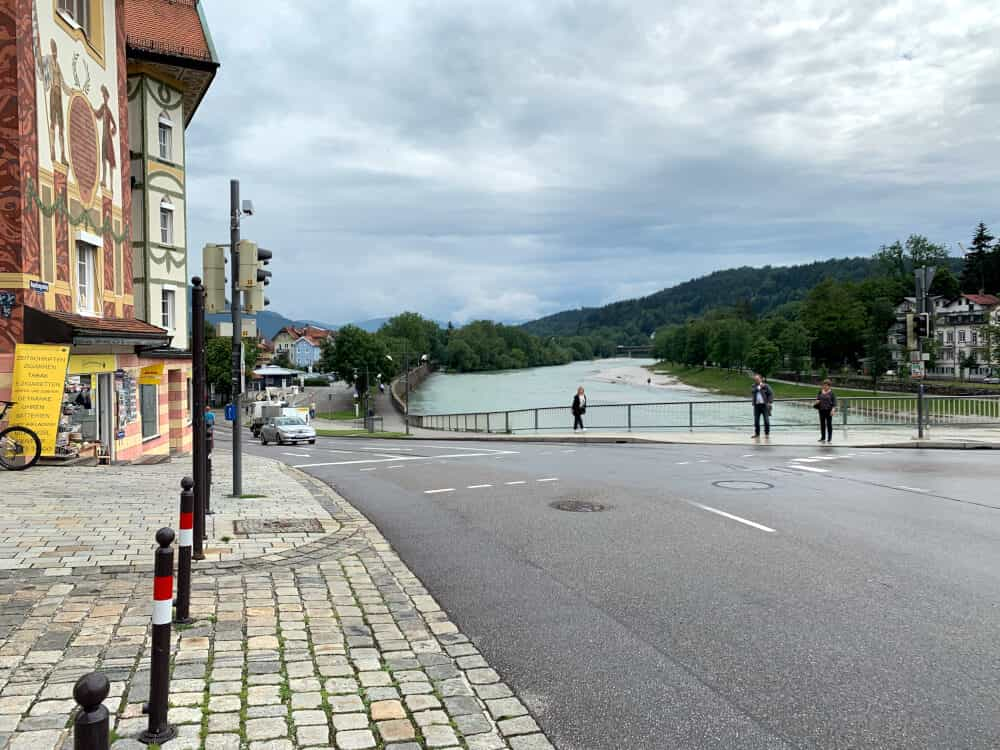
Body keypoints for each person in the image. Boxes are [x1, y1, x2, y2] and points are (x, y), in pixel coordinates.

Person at [751, 373, 773, 439]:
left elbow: (771, 394)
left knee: (766, 421)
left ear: (761, 379)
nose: (756, 380)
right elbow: (753, 391)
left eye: (757, 379)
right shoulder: (754, 386)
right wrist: (760, 387)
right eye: (755, 379)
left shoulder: (766, 386)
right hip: (757, 406)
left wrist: (769, 402)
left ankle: (767, 434)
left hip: (764, 406)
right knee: (756, 421)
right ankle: (757, 434)